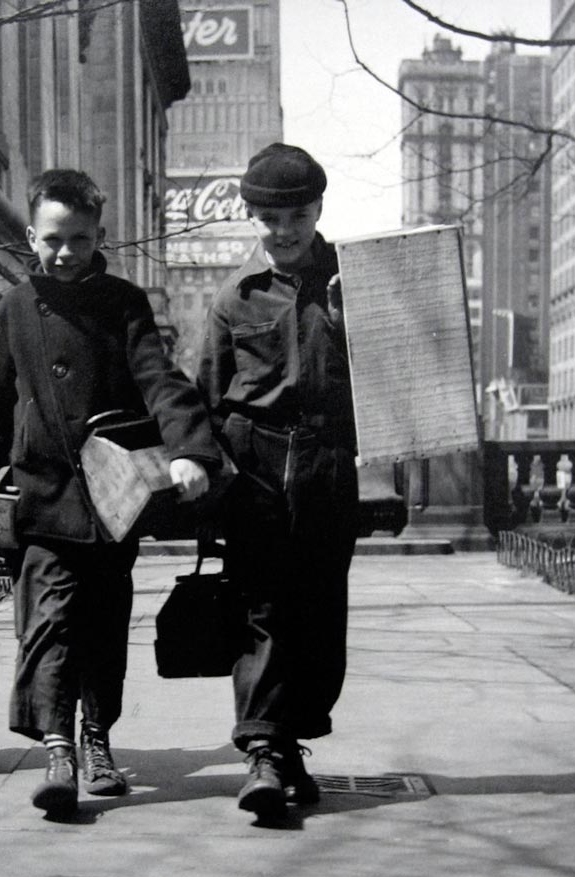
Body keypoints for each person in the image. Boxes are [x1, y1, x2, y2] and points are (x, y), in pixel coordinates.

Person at [0, 168, 222, 818]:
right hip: (41, 500)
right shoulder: (11, 312)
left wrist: (190, 450)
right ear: (31, 235)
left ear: (99, 235)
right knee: (48, 624)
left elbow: (160, 379)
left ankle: (96, 735)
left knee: (104, 627)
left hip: (114, 500)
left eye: (80, 238)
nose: (66, 251)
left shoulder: (125, 304)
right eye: (53, 237)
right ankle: (58, 748)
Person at [196, 143, 360, 819]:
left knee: (319, 617)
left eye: (295, 215)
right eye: (268, 218)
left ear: (318, 210)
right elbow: (205, 396)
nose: (282, 230)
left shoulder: (355, 284)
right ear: (251, 218)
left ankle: (289, 742)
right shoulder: (233, 298)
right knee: (262, 612)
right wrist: (207, 480)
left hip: (327, 468)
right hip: (255, 470)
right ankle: (262, 751)